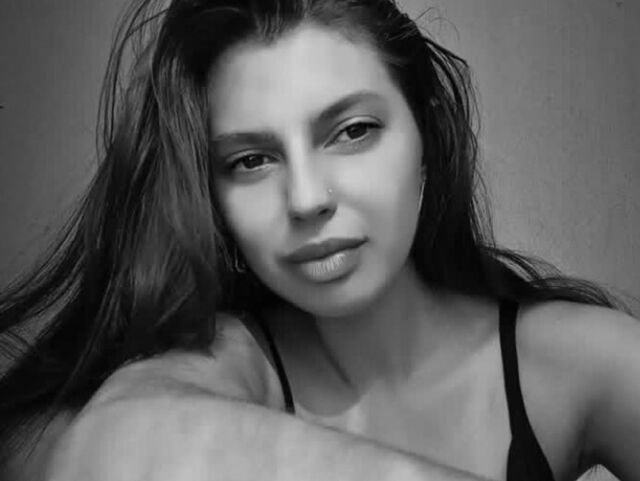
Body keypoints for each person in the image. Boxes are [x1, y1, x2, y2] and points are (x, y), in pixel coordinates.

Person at [0, 0, 638, 480]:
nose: (306, 200)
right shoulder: (227, 355)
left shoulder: (576, 363)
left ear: (427, 139)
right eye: (252, 161)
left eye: (353, 131)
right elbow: (113, 453)